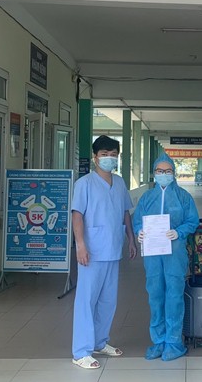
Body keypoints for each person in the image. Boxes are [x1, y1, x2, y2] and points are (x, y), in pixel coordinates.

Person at [71, 135, 138, 369]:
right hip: (91, 252)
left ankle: (100, 341)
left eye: (113, 154)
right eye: (104, 154)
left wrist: (131, 239)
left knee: (108, 301)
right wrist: (80, 245)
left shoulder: (119, 183)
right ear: (95, 157)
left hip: (112, 249)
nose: (109, 158)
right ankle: (81, 351)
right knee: (86, 301)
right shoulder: (85, 184)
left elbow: (125, 212)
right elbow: (77, 215)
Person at [133, 153, 199, 361]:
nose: (163, 174)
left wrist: (179, 232)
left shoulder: (183, 196)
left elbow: (193, 220)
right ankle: (158, 340)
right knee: (155, 295)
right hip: (153, 254)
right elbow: (137, 221)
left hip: (175, 252)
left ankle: (173, 342)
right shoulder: (147, 197)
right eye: (159, 171)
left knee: (174, 295)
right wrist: (139, 232)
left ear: (173, 173)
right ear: (154, 173)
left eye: (167, 171)